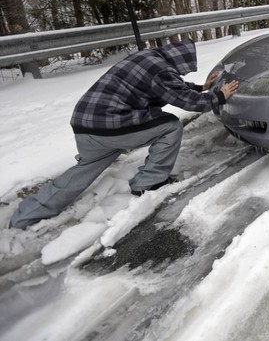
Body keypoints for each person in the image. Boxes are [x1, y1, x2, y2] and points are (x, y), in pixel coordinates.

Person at [9, 39, 239, 230]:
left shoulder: (145, 58)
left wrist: (200, 87)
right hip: (110, 125)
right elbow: (187, 102)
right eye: (184, 68)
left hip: (84, 126)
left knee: (85, 168)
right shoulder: (161, 70)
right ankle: (148, 182)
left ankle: (25, 216)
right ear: (179, 60)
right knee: (170, 125)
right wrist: (218, 96)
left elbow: (168, 87)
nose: (182, 72)